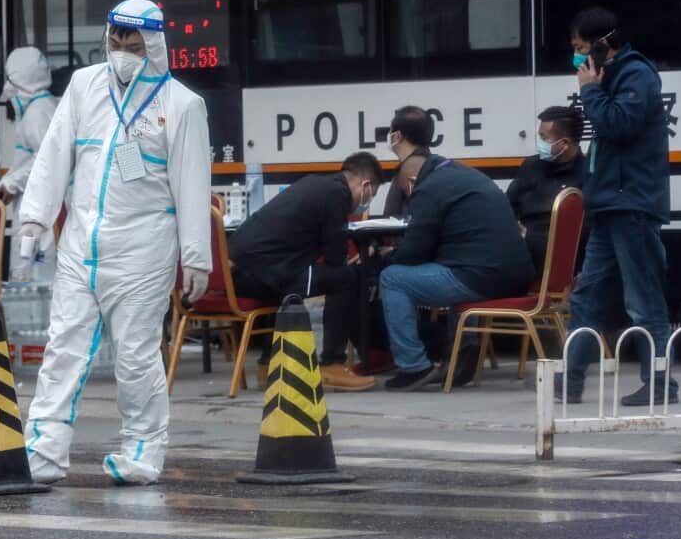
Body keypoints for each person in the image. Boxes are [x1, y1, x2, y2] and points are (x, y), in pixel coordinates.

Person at [18, 0, 212, 486]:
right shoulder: (85, 87)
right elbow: (54, 154)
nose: (123, 53)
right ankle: (42, 451)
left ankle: (142, 451)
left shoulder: (181, 105)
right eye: (115, 43)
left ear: (155, 46)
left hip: (144, 251)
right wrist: (34, 220)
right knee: (63, 346)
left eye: (134, 45)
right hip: (81, 244)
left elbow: (192, 183)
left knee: (135, 355)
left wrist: (196, 257)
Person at [561, 8, 674, 406]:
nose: (576, 57)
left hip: (633, 204)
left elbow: (619, 126)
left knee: (642, 301)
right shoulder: (612, 76)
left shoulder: (636, 74)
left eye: (579, 48)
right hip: (609, 204)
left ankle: (661, 385)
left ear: (600, 45)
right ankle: (569, 381)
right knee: (586, 295)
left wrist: (590, 90)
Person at [228, 152, 383, 392]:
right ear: (365, 185)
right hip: (269, 273)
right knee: (348, 279)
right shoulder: (337, 195)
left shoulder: (313, 184)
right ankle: (332, 363)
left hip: (241, 273)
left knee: (290, 289)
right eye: (371, 195)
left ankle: (268, 366)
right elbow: (334, 258)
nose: (366, 202)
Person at [379, 154, 535, 391]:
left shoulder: (428, 188)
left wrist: (388, 256)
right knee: (454, 265)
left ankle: (414, 367)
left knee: (392, 279)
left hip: (479, 277)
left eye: (406, 192)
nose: (410, 197)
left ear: (412, 180)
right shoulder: (467, 175)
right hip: (516, 276)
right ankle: (464, 349)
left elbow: (415, 250)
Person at [0, 47, 59, 281]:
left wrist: (12, 183)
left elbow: (47, 162)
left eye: (10, 79)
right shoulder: (41, 109)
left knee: (33, 278)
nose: (7, 87)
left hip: (40, 213)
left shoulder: (38, 114)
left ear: (23, 81)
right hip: (39, 209)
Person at [506, 106, 587, 272]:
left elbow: (582, 233)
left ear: (564, 143)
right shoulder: (531, 166)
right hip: (517, 248)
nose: (539, 143)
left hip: (559, 257)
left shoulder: (587, 175)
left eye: (544, 138)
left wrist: (530, 237)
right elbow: (507, 205)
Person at [382, 105, 434, 217]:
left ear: (397, 136)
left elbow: (392, 221)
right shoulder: (433, 166)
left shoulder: (408, 174)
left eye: (390, 131)